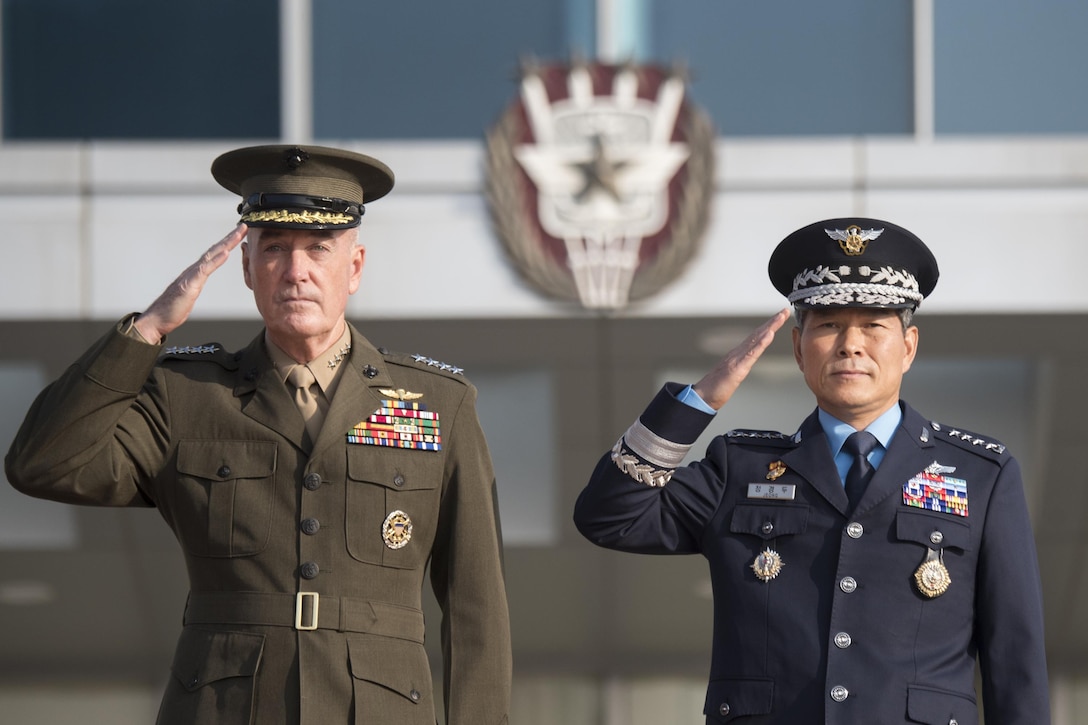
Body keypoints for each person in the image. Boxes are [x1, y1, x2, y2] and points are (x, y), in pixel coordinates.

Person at [5, 145, 512, 725]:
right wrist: (146, 331)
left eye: (319, 249)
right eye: (274, 249)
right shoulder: (186, 397)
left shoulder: (439, 404)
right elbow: (41, 463)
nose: (296, 271)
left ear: (355, 267)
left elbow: (477, 609)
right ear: (247, 268)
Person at [573, 218, 1049, 724]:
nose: (851, 344)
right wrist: (696, 404)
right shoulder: (740, 469)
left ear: (908, 346)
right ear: (799, 349)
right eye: (828, 325)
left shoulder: (981, 475)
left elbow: (1014, 660)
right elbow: (611, 516)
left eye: (873, 325)